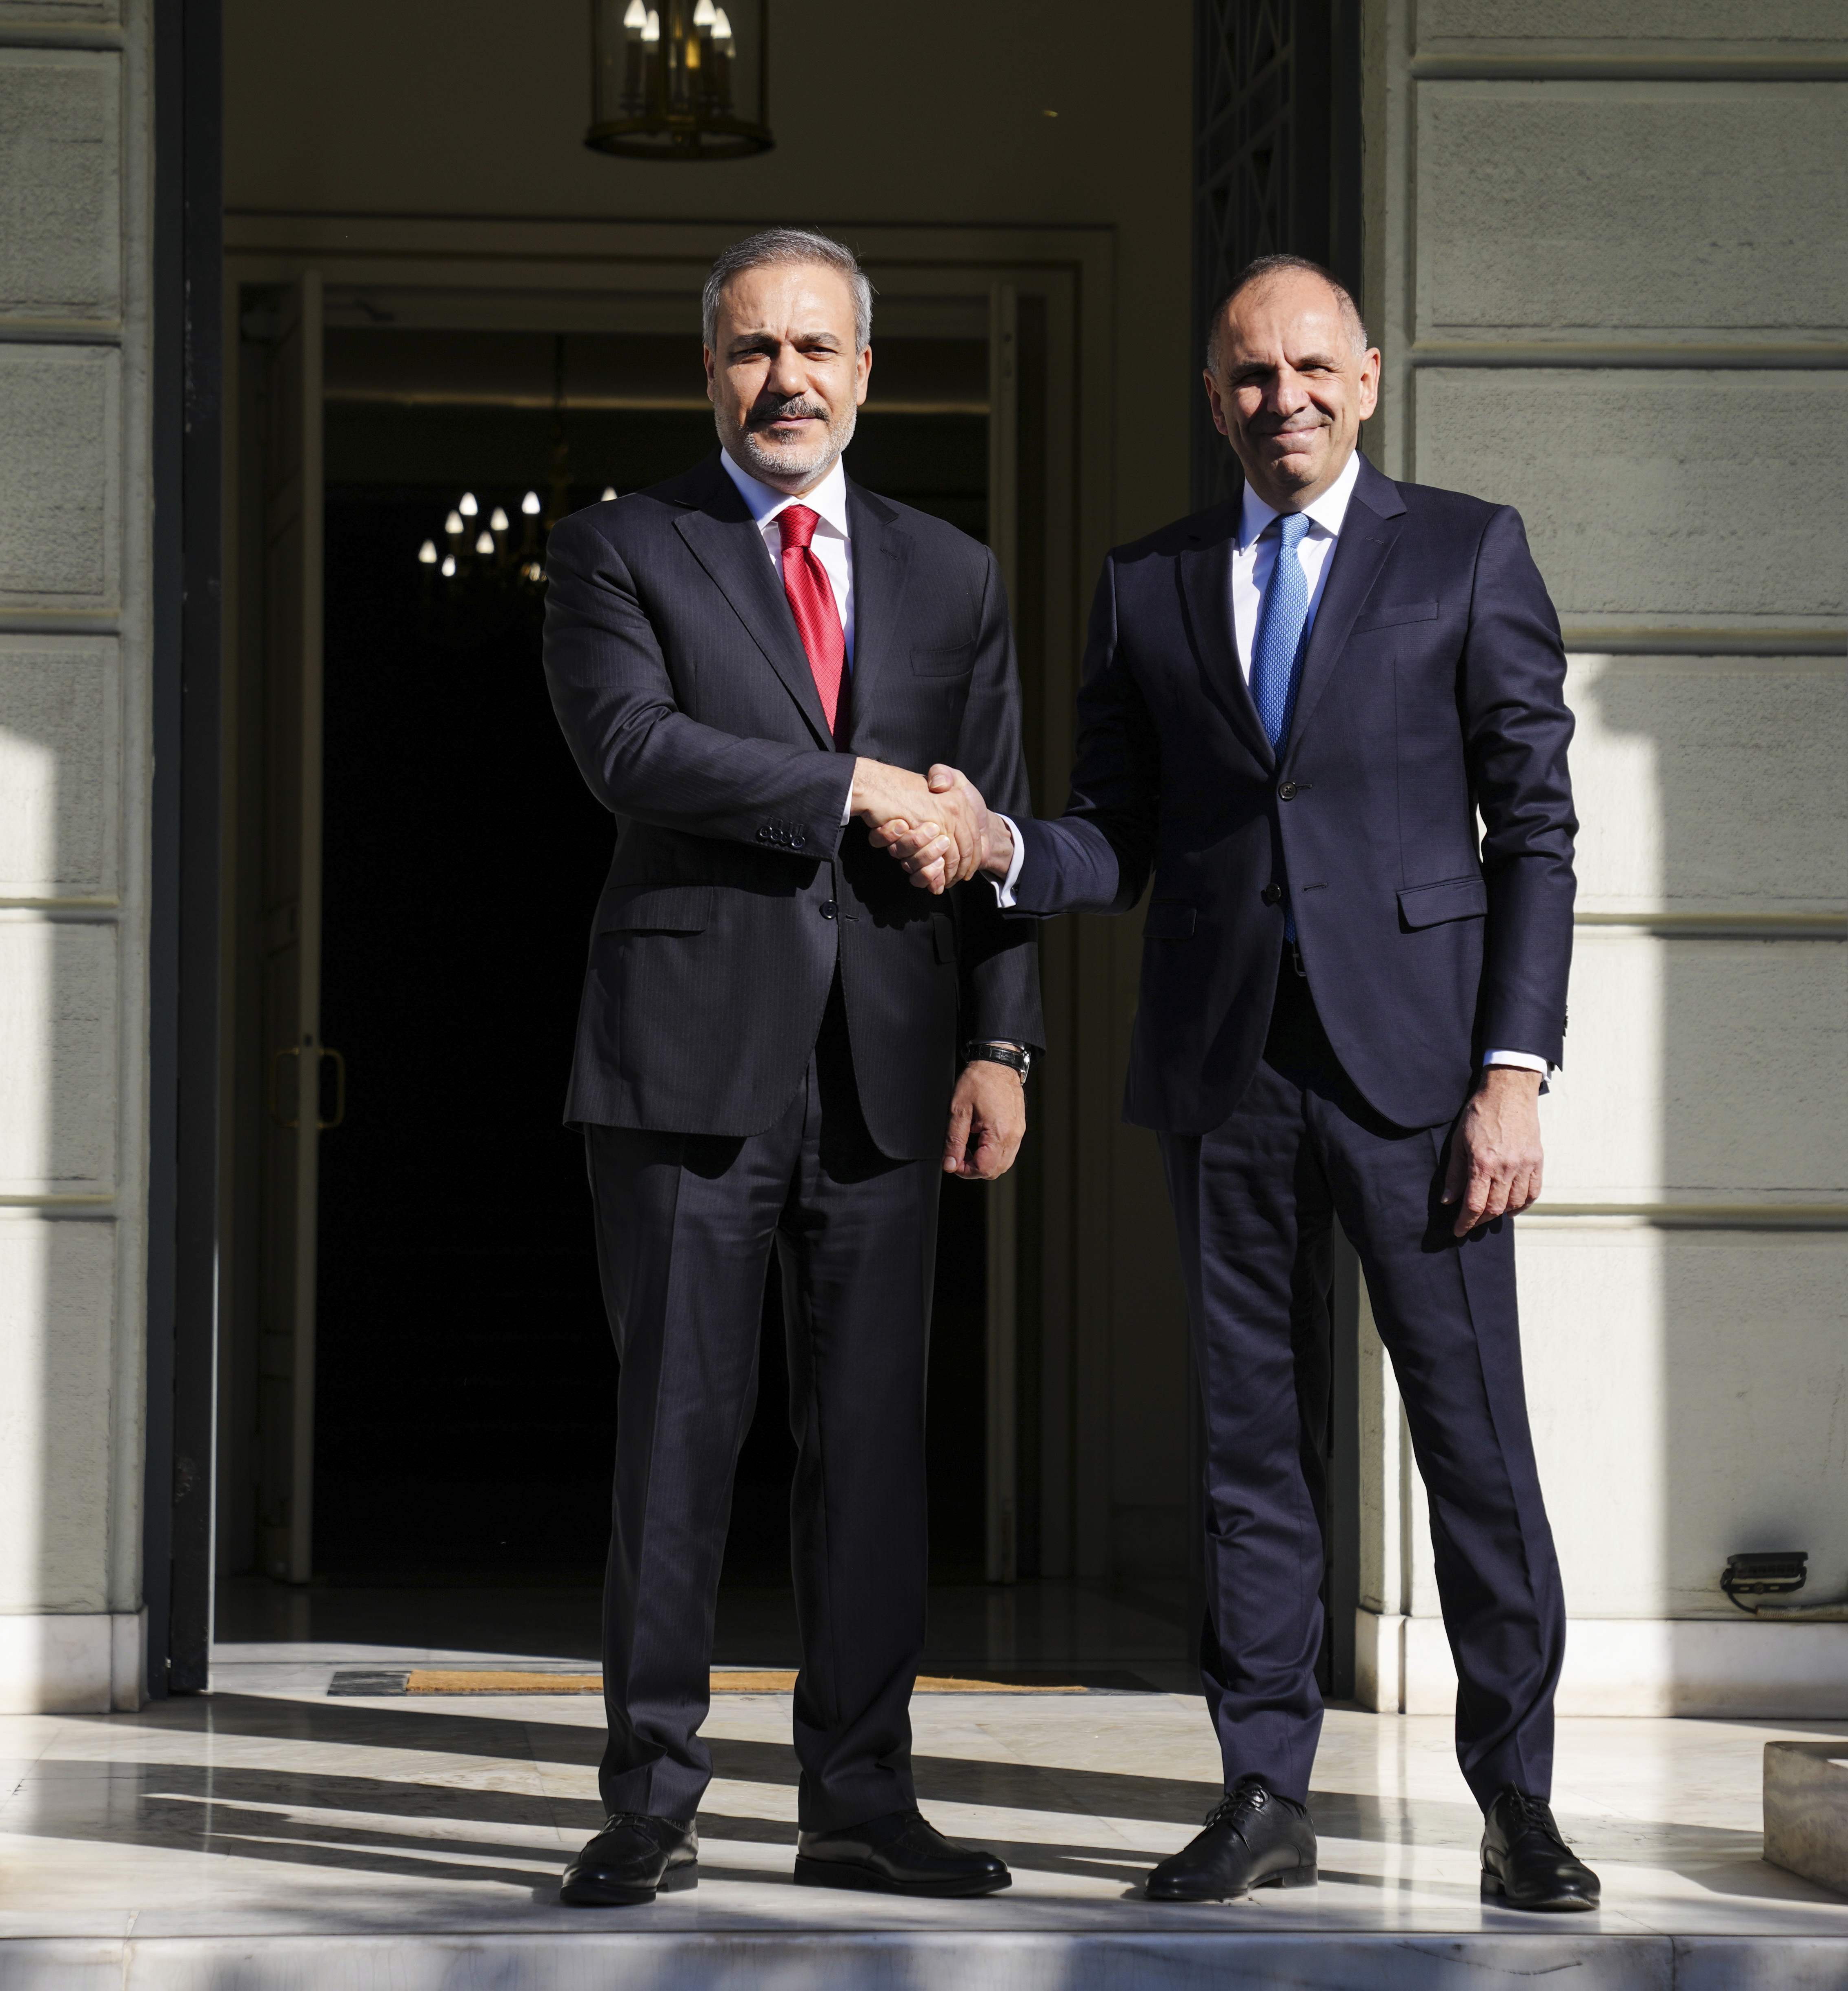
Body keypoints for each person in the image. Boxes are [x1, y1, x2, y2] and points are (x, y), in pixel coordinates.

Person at [879, 253, 1600, 1912]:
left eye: (1311, 369)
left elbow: (1536, 828)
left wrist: (1514, 1068)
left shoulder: (1468, 552)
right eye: (1250, 378)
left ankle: (1521, 1802)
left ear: (1367, 376)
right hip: (1225, 1071)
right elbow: (1116, 831)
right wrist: (998, 842)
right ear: (1216, 401)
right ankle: (1265, 1787)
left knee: (1473, 1439)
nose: (1285, 399)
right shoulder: (1147, 585)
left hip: (1423, 1078)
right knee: (1246, 1452)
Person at [538, 227, 1041, 1908]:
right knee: (677, 1432)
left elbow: (992, 824)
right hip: (691, 1063)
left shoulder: (953, 572)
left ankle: (860, 1798)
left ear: (866, 374)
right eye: (754, 350)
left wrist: (1003, 1036)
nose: (787, 381)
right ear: (709, 371)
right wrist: (848, 785)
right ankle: (652, 1796)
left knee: (875, 1446)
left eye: (818, 350)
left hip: (894, 1062)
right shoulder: (622, 548)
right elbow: (631, 749)